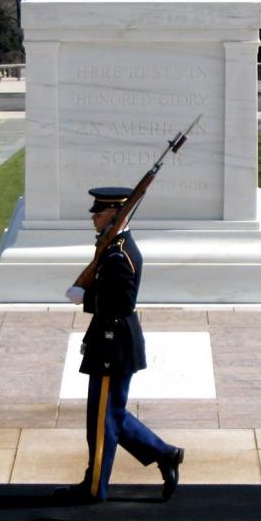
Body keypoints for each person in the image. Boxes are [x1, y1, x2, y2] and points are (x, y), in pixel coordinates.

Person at [59, 186, 184, 504]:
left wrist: (85, 297)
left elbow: (122, 303)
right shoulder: (112, 246)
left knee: (102, 420)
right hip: (109, 341)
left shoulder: (121, 253)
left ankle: (94, 488)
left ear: (115, 214)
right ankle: (164, 454)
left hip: (114, 344)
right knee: (108, 414)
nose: (93, 218)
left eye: (98, 213)